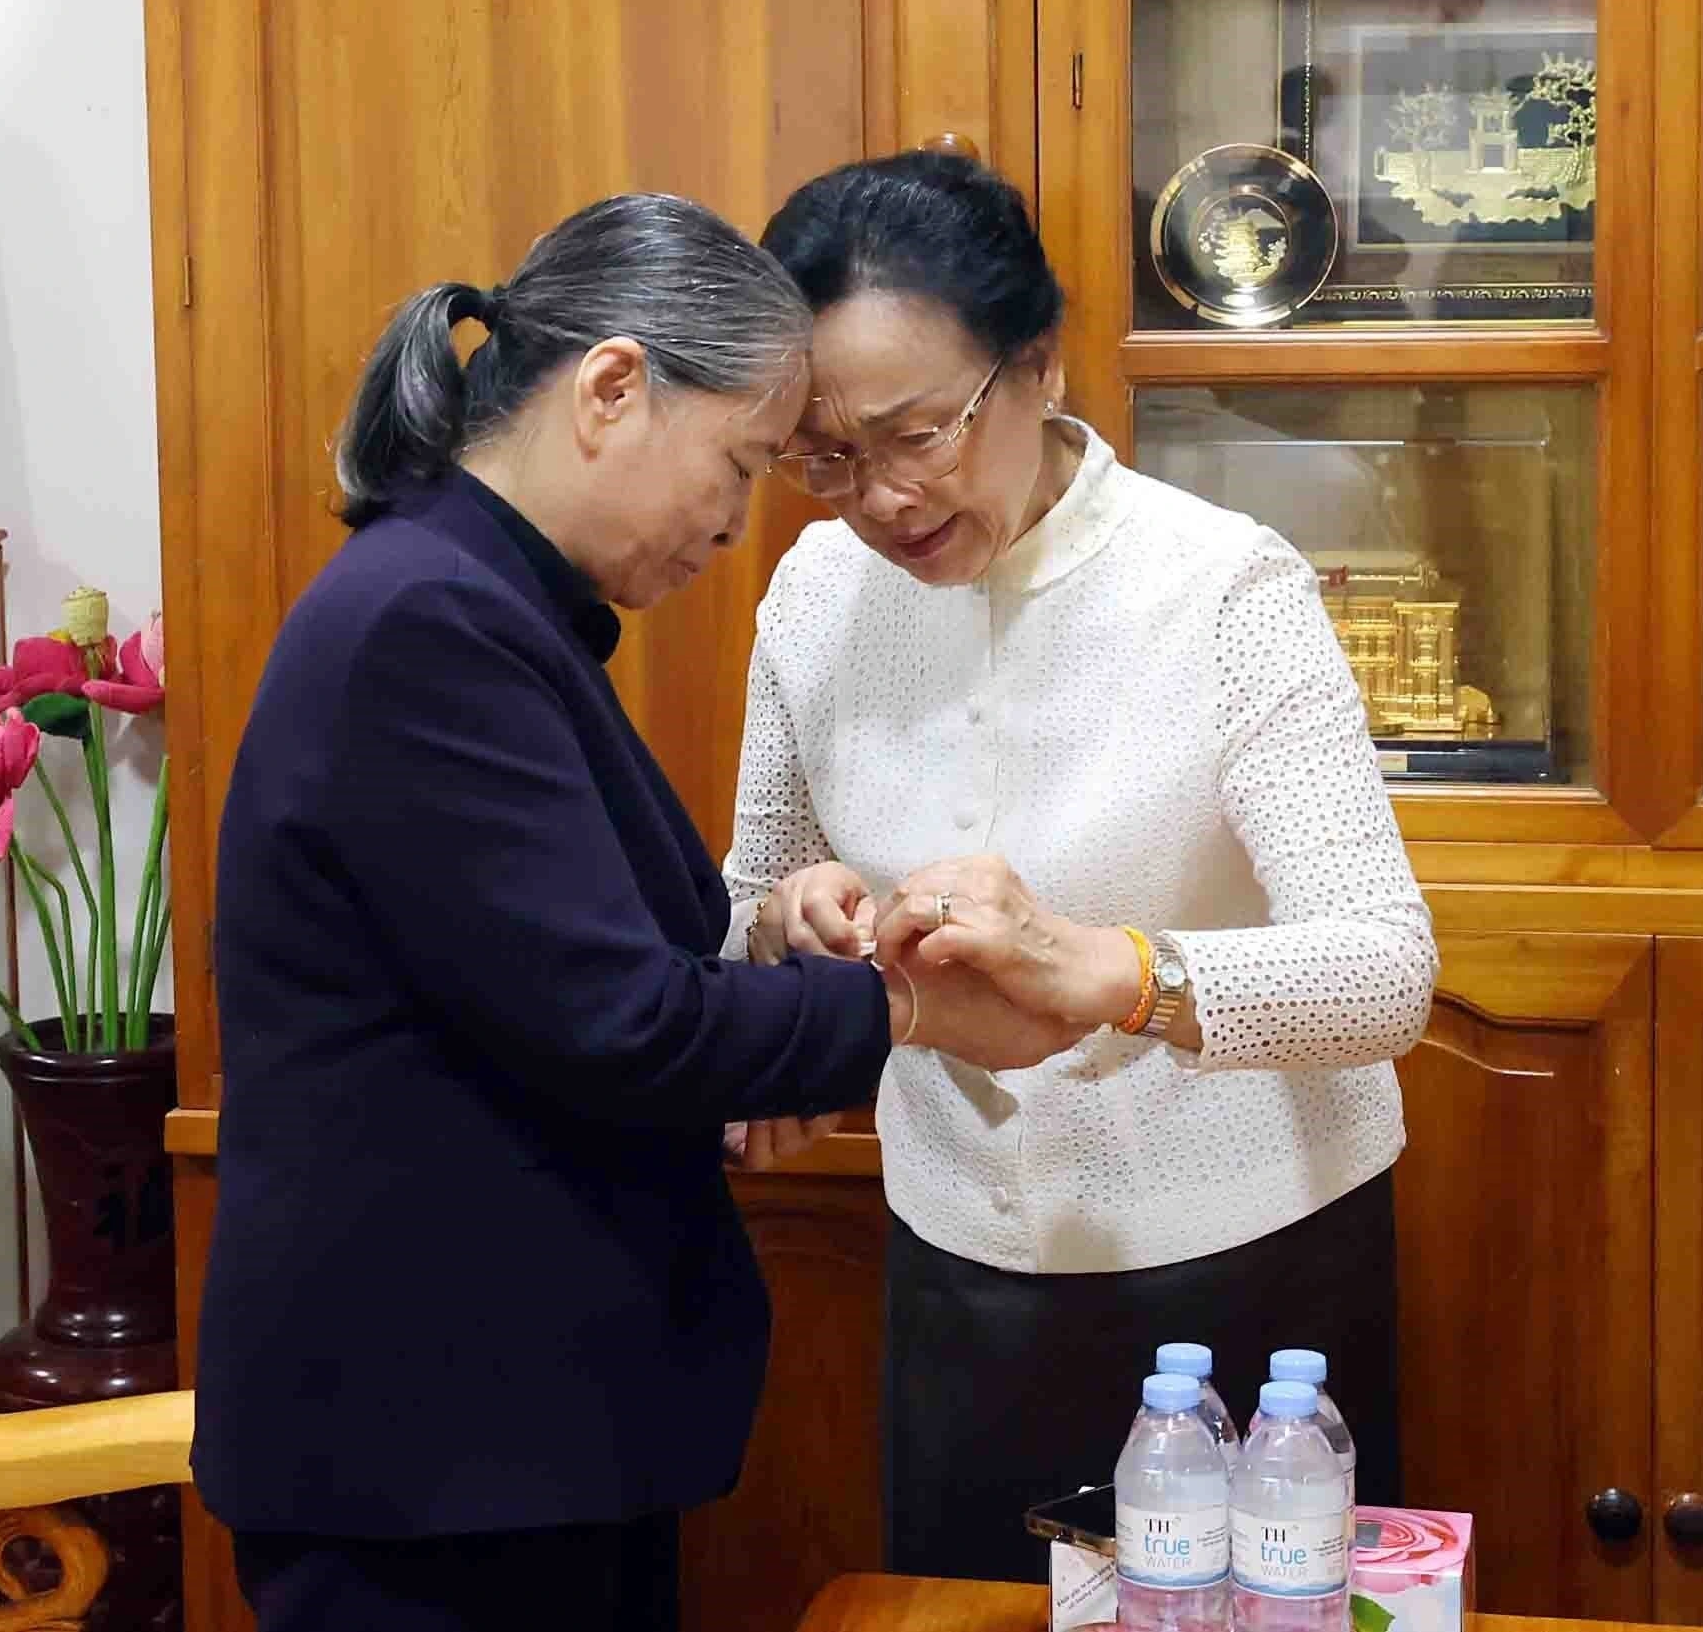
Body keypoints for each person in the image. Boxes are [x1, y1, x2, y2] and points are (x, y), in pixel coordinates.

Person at [191, 191, 1081, 1632]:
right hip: (435, 1457)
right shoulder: (432, 623)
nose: (737, 525)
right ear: (612, 387)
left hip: (508, 1443)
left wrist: (780, 947)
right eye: (738, 463)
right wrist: (913, 1009)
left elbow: (567, 976)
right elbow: (623, 1024)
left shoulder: (487, 601)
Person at [722, 151, 1439, 1579]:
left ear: (1036, 366)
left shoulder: (1223, 587)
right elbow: (752, 891)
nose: (875, 496)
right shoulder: (814, 595)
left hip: (1251, 1276)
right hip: (958, 1270)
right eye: (823, 454)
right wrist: (788, 923)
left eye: (916, 433)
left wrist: (1114, 976)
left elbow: (1382, 971)